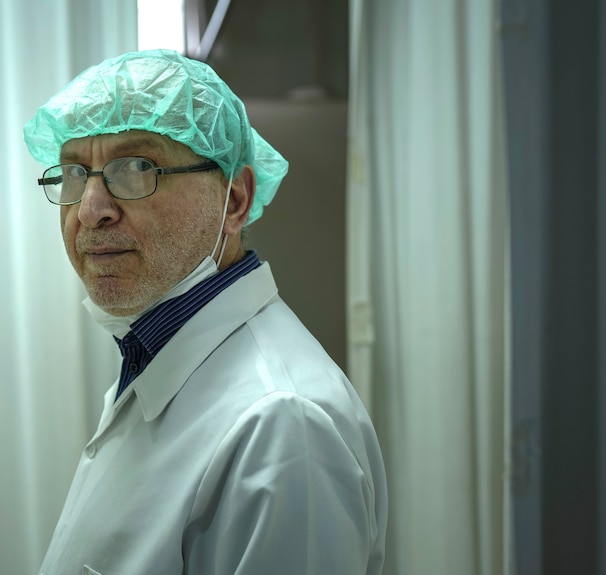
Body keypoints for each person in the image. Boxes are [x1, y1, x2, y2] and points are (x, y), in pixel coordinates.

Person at [23, 49, 387, 574]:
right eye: (76, 173)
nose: (90, 210)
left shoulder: (282, 427)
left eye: (136, 167)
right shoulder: (153, 354)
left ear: (235, 200)